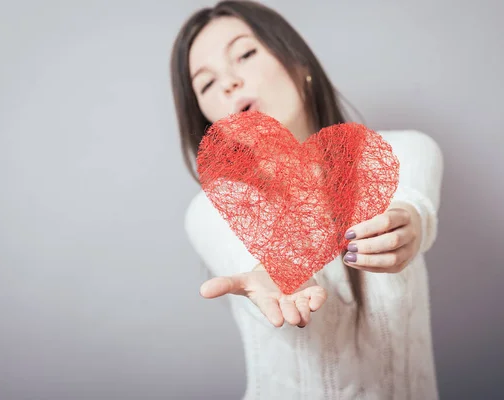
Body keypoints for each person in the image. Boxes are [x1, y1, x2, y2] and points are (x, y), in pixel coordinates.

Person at [170, 1, 444, 398]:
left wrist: (407, 227)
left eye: (245, 54)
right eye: (207, 84)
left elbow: (411, 204)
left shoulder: (407, 151)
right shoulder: (213, 209)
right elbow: (263, 263)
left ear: (299, 63)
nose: (228, 82)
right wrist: (278, 276)